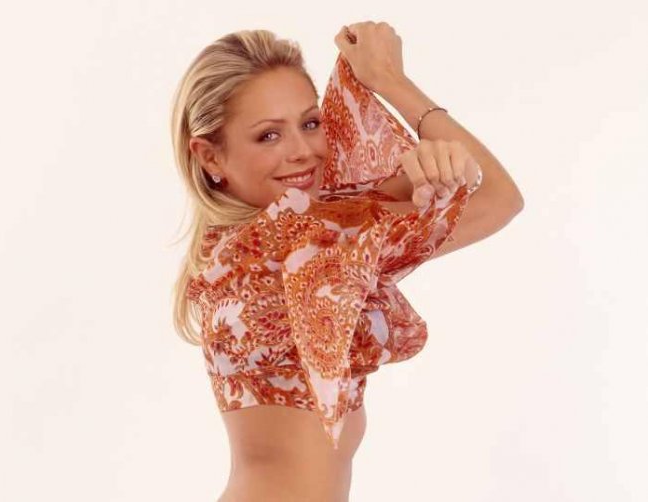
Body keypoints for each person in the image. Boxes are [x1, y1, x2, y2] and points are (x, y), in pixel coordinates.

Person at [170, 22, 524, 502]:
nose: (302, 152)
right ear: (210, 158)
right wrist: (391, 81)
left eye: (310, 123)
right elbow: (499, 199)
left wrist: (429, 172)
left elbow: (383, 193)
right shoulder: (296, 242)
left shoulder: (252, 243)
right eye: (268, 135)